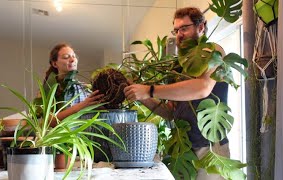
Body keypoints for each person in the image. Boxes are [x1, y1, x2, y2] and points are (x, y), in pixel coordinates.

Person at [124, 7, 229, 180]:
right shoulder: (177, 66)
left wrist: (150, 90)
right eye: (176, 30)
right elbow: (170, 112)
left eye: (184, 28)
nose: (179, 34)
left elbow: (203, 88)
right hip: (183, 146)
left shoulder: (213, 51)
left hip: (209, 148)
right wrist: (142, 95)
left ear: (201, 27)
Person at [38, 43, 104, 127]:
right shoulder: (48, 89)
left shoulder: (85, 88)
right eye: (66, 57)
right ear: (55, 64)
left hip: (84, 138)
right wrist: (82, 105)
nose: (72, 60)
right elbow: (49, 122)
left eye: (74, 56)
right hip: (62, 138)